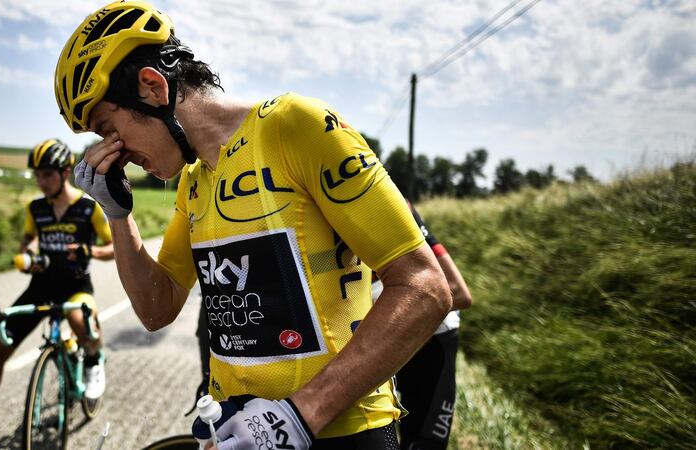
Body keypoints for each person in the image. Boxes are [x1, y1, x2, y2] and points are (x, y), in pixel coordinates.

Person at [56, 2, 452, 449]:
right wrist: (117, 214)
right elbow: (156, 307)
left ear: (152, 88)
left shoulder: (295, 126)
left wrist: (300, 416)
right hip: (238, 430)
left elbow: (425, 288)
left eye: (109, 128)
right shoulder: (195, 180)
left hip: (341, 433)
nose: (112, 152)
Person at [0, 139, 115, 444]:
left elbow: (113, 248)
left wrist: (89, 252)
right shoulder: (36, 208)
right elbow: (28, 241)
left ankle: (94, 361)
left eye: (47, 174)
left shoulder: (88, 209)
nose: (41, 181)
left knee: (78, 316)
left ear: (65, 171)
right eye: (37, 175)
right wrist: (28, 257)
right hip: (40, 288)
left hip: (75, 289)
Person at [372, 203, 472, 450]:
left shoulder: (393, 205)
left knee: (424, 443)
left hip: (431, 338)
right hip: (385, 335)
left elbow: (459, 292)